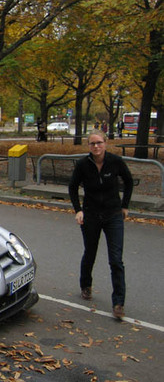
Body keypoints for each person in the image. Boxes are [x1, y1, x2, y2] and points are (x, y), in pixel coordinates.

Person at [68, 129, 133, 320]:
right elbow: (72, 187)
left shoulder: (115, 161)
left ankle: (118, 302)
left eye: (99, 143)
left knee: (116, 259)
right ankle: (85, 285)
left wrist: (125, 206)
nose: (96, 146)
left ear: (105, 143)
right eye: (92, 143)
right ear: (88, 146)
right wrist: (78, 210)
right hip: (91, 215)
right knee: (90, 251)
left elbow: (128, 182)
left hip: (113, 214)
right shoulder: (83, 165)